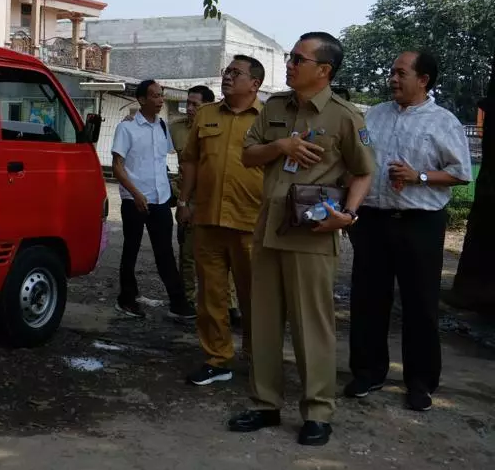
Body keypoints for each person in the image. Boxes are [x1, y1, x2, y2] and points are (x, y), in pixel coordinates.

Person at [228, 32, 374, 447]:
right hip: (269, 230)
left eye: (298, 58)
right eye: (290, 57)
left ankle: (317, 412)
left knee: (313, 327)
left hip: (312, 233)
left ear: (323, 70)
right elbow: (248, 155)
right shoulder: (274, 107)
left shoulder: (346, 116)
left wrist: (349, 215)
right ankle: (264, 404)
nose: (289, 63)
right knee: (263, 324)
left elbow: (363, 171)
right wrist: (281, 145)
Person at [344, 51, 471, 412]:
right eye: (391, 73)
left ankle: (420, 381)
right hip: (373, 220)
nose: (393, 79)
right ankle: (368, 372)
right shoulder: (376, 114)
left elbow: (461, 172)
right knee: (367, 299)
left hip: (420, 223)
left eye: (401, 73)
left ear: (423, 79)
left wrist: (420, 176)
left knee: (420, 305)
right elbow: (359, 160)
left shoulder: (442, 121)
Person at [177, 56, 265, 386]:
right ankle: (218, 358)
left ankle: (259, 360)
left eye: (236, 73)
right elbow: (191, 163)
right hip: (208, 219)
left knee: (255, 297)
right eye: (227, 71)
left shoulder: (268, 119)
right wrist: (184, 202)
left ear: (254, 84)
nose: (227, 76)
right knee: (210, 296)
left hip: (250, 221)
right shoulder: (206, 115)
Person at [111, 80, 196, 320]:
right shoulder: (126, 128)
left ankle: (177, 303)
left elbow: (164, 158)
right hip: (134, 200)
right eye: (155, 96)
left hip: (160, 199)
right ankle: (126, 299)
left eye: (161, 95)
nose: (160, 100)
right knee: (131, 249)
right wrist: (136, 194)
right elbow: (118, 167)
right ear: (141, 100)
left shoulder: (161, 126)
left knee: (165, 252)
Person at [169, 85, 215, 309]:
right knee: (187, 254)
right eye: (187, 103)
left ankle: (226, 302)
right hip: (187, 197)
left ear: (207, 105)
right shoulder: (175, 129)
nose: (189, 108)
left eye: (195, 104)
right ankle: (188, 299)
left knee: (216, 256)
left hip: (214, 198)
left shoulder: (218, 129)